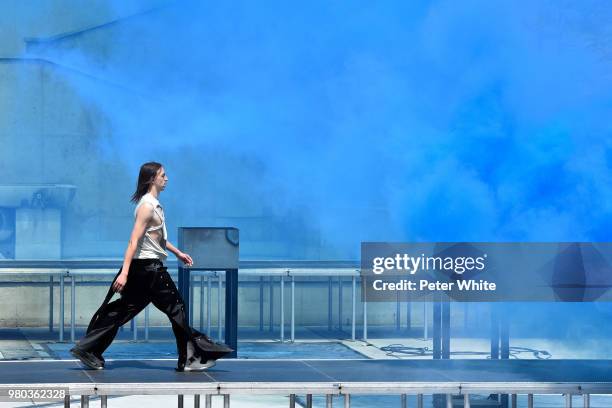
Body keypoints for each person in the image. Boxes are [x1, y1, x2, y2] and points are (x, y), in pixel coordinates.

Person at [70, 162, 231, 371]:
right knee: (177, 308)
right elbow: (133, 241)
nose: (167, 178)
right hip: (149, 270)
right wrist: (124, 273)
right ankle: (189, 358)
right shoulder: (147, 207)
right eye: (163, 175)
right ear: (152, 178)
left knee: (124, 309)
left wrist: (178, 253)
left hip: (143, 269)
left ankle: (88, 348)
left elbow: (157, 239)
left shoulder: (153, 205)